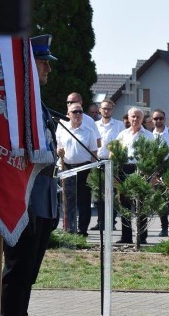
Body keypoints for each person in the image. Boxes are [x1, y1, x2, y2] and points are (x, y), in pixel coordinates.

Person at [0, 35, 60, 316]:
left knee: (28, 272)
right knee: (17, 269)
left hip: (42, 196)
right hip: (23, 196)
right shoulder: (17, 103)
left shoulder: (37, 105)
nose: (48, 67)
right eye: (42, 61)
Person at [56, 102, 99, 236]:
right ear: (68, 114)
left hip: (84, 168)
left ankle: (82, 230)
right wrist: (59, 152)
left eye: (80, 112)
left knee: (84, 201)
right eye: (75, 112)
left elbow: (94, 154)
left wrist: (92, 172)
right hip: (67, 167)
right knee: (68, 201)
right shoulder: (62, 129)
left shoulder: (89, 131)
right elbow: (58, 147)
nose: (78, 114)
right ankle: (69, 229)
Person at [115, 107, 155, 244]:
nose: (135, 119)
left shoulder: (149, 136)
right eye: (133, 116)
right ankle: (126, 236)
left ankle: (141, 237)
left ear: (143, 119)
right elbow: (115, 154)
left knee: (141, 204)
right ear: (128, 118)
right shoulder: (122, 135)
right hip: (125, 169)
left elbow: (153, 158)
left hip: (141, 169)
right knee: (125, 205)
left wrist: (151, 176)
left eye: (138, 117)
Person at [94, 99, 126, 231]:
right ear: (100, 110)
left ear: (112, 110)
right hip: (97, 161)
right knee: (98, 193)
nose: (106, 111)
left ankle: (111, 221)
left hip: (113, 162)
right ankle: (100, 221)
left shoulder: (119, 125)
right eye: (104, 108)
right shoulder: (94, 125)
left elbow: (123, 143)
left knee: (112, 194)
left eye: (109, 109)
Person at [151, 109, 169, 237]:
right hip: (156, 169)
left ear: (165, 119)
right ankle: (163, 228)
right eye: (156, 118)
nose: (158, 121)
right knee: (160, 200)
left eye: (161, 118)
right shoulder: (149, 135)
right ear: (152, 120)